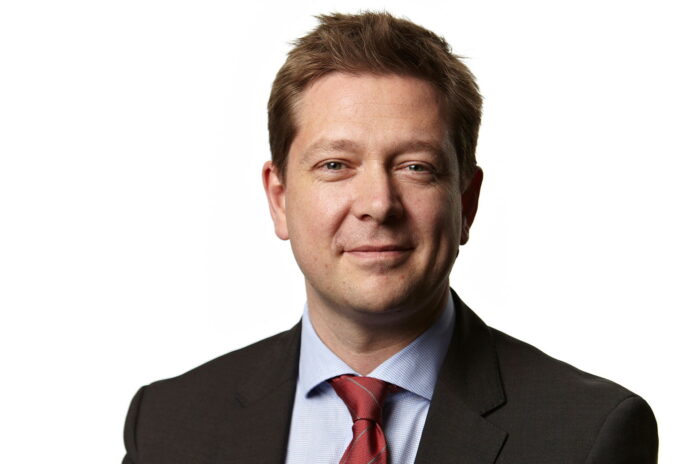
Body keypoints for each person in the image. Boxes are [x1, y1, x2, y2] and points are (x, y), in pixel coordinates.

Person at [122, 12, 658, 463]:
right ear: (279, 199)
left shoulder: (589, 435)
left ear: (466, 202)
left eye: (415, 167)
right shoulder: (168, 427)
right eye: (336, 165)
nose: (378, 204)